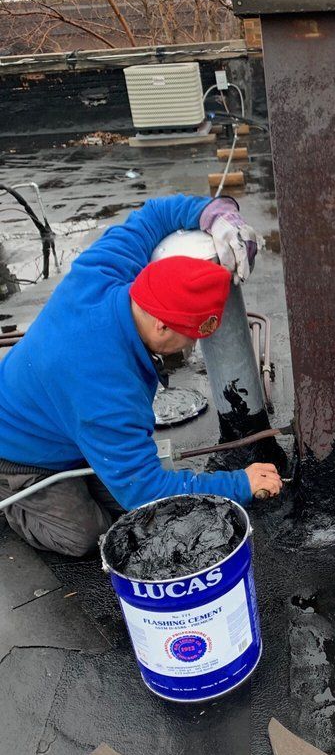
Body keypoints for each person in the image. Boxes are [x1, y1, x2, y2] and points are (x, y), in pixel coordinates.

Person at [0, 194, 282, 557]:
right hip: (21, 455)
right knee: (89, 534)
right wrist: (239, 483)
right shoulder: (107, 391)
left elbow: (154, 215)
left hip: (57, 414)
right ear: (164, 327)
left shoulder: (103, 272)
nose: (192, 347)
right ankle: (14, 499)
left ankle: (86, 463)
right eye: (192, 338)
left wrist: (216, 214)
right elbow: (146, 491)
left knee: (123, 495)